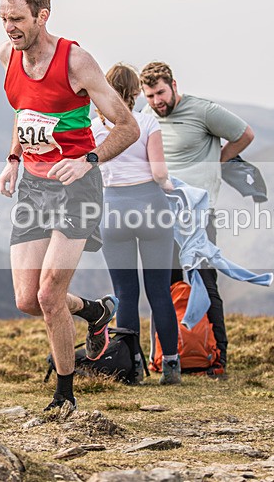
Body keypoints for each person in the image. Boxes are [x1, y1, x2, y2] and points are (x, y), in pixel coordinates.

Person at [0, 0, 140, 411]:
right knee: (26, 300)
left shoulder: (76, 61)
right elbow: (25, 115)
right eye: (4, 18)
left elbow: (128, 127)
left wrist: (89, 160)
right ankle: (94, 312)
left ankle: (65, 395)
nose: (9, 28)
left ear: (43, 16)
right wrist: (13, 159)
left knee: (48, 294)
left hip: (78, 186)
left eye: (18, 18)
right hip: (34, 187)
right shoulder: (7, 57)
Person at [139, 61, 255, 370]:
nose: (156, 102)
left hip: (197, 218)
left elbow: (244, 134)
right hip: (161, 216)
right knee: (163, 287)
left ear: (174, 85)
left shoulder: (203, 111)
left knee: (205, 283)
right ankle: (167, 358)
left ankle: (217, 359)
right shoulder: (148, 118)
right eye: (149, 96)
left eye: (160, 93)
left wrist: (217, 161)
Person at [90, 63, 181, 385]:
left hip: (113, 211)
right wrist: (175, 190)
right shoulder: (146, 122)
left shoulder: (93, 128)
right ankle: (171, 367)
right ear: (134, 93)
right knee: (160, 293)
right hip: (152, 208)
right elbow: (159, 173)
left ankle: (132, 368)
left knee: (125, 294)